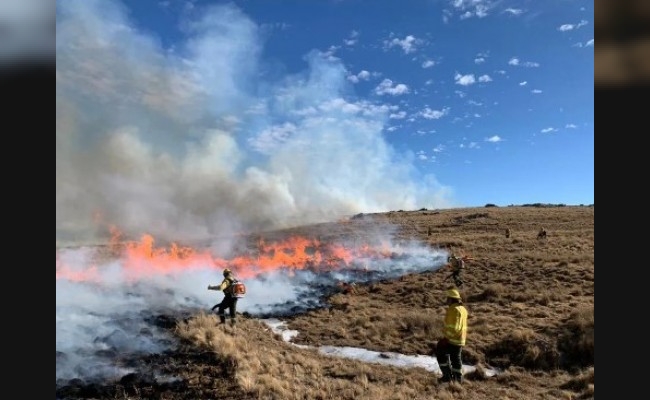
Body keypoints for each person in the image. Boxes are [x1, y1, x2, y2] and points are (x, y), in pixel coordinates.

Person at [437, 288, 468, 383]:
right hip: (460, 339)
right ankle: (457, 379)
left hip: (453, 339)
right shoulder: (462, 309)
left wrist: (446, 338)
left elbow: (454, 327)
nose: (447, 300)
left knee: (441, 353)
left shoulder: (454, 310)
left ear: (451, 298)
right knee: (456, 359)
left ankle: (447, 377)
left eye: (448, 298)